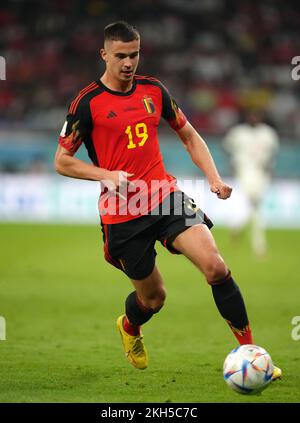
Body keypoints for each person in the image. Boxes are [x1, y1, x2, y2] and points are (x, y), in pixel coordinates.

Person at [54, 21, 281, 380]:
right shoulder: (87, 103)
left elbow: (189, 136)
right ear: (104, 55)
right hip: (123, 213)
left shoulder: (153, 90)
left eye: (134, 54)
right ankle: (130, 326)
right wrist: (106, 175)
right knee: (154, 300)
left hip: (165, 197)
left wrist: (214, 178)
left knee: (217, 268)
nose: (129, 63)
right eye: (121, 56)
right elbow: (62, 160)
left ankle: (251, 353)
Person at [223, 112, 279, 256]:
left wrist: (270, 166)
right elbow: (226, 147)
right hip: (245, 172)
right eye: (251, 114)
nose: (253, 117)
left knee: (254, 206)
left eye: (256, 114)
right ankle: (259, 245)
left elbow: (273, 152)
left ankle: (238, 226)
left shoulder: (268, 133)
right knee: (255, 205)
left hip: (261, 173)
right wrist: (233, 164)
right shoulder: (238, 132)